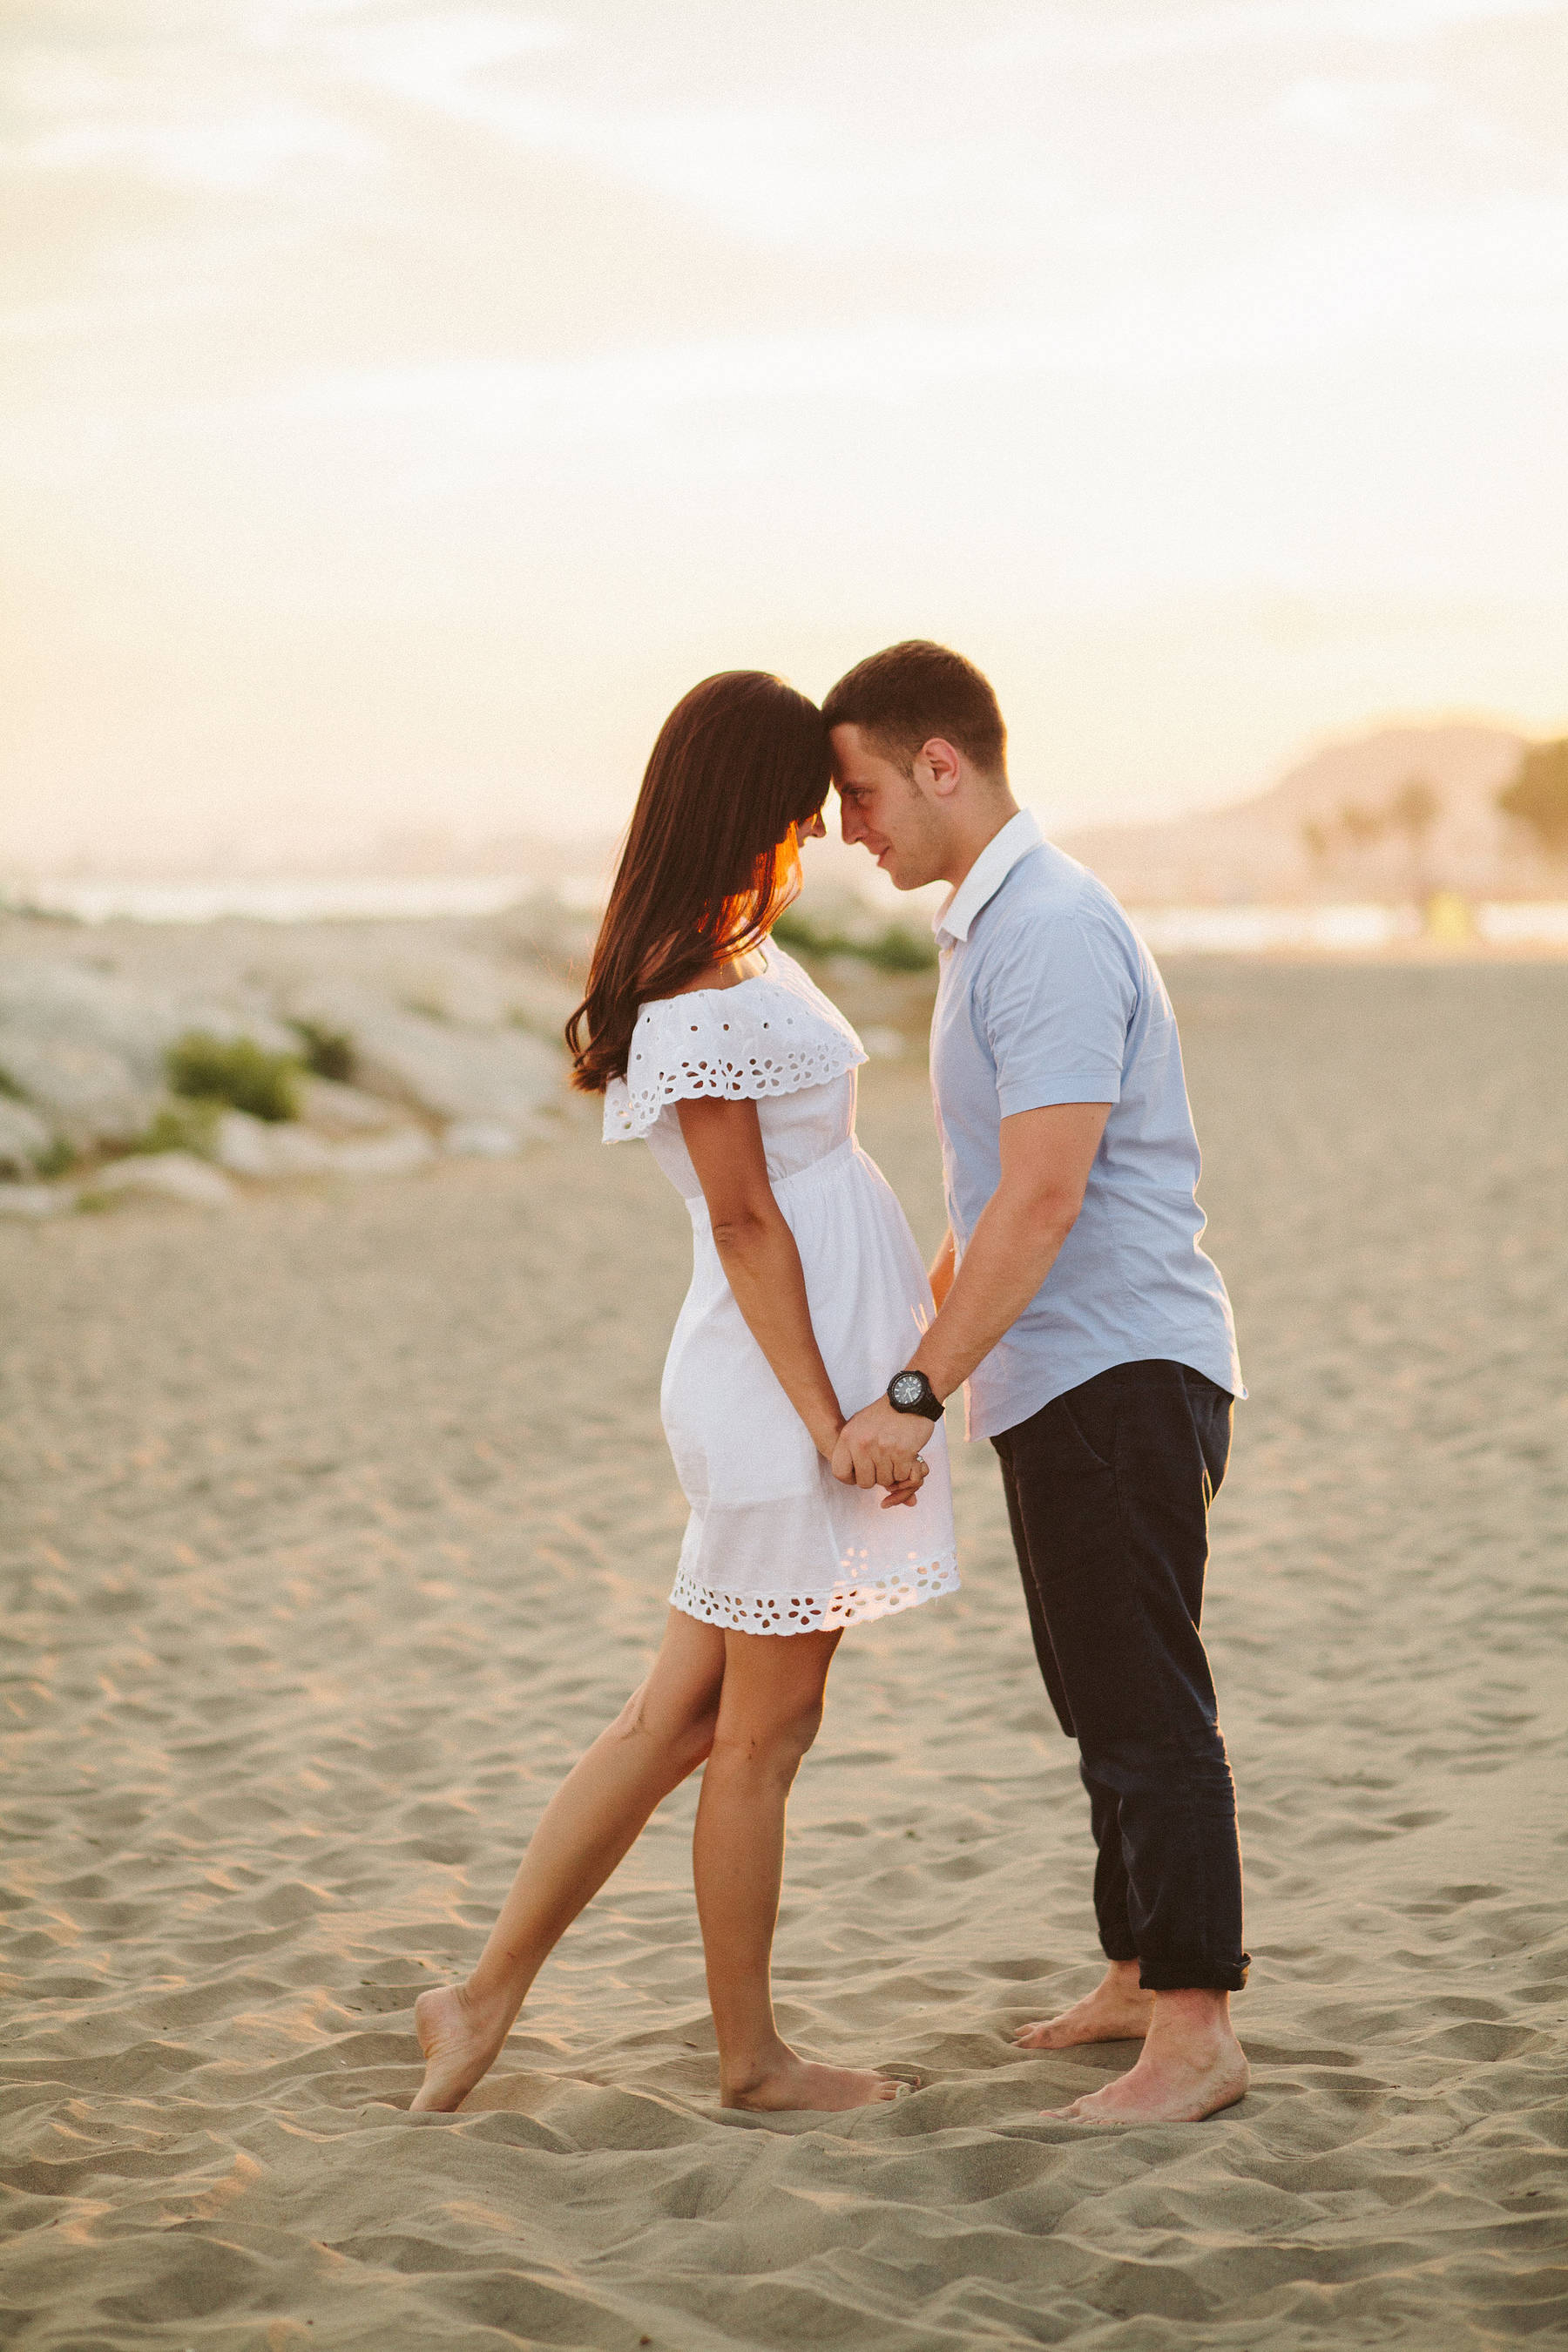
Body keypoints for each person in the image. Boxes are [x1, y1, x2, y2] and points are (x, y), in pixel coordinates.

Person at [411, 670, 958, 2118]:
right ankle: (752, 2063)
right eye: (798, 811)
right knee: (761, 1732)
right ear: (745, 808)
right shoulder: (695, 988)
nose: (818, 837)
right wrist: (835, 1413)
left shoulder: (730, 948)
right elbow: (743, 1221)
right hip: (780, 1390)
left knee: (680, 1720)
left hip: (788, 1379)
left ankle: (473, 2003)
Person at [821, 640, 1250, 2125]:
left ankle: (1194, 2033)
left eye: (860, 792)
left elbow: (1047, 1196)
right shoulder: (987, 931)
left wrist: (920, 1395)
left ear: (943, 764)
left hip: (1124, 1363)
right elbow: (989, 1191)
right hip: (1060, 1373)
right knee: (1096, 1691)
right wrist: (923, 1370)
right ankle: (1138, 1973)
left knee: (1144, 1697)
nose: (845, 828)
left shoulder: (1051, 927)